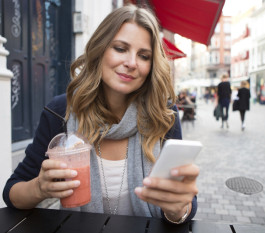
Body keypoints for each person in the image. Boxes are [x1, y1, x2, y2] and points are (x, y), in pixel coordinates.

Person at [3, 5, 199, 224]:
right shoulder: (60, 112)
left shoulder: (163, 114)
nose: (132, 63)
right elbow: (12, 193)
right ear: (100, 49)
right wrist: (39, 188)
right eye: (120, 48)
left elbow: (185, 206)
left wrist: (177, 209)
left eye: (144, 56)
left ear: (151, 65)